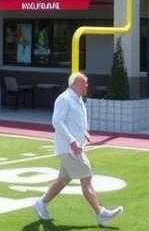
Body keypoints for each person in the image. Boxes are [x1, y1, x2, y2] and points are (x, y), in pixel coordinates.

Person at [33, 71, 123, 227]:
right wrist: (72, 141)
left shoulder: (78, 99)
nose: (87, 85)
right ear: (74, 84)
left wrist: (84, 134)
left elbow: (76, 121)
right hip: (69, 149)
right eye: (84, 83)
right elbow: (57, 122)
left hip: (73, 148)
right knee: (86, 179)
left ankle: (41, 203)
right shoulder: (64, 99)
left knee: (63, 180)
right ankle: (101, 213)